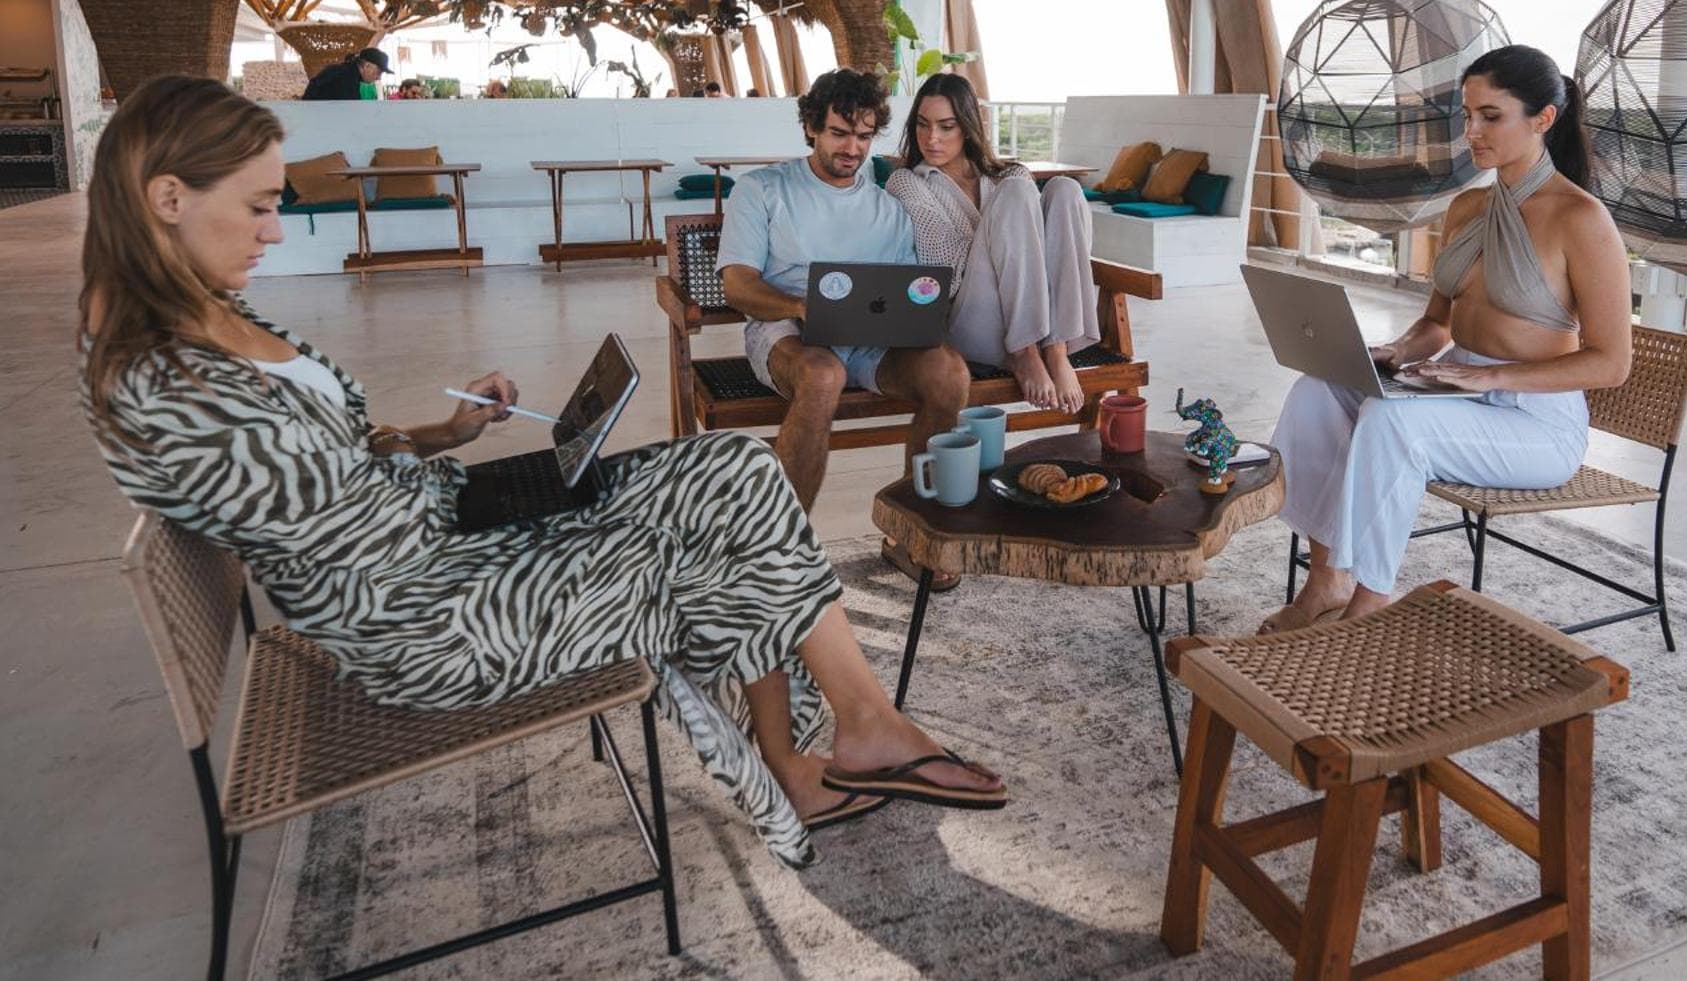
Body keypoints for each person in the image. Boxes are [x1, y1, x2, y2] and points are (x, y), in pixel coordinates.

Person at [79, 76, 1005, 868]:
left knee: (731, 467)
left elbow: (339, 461)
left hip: (445, 533)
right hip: (429, 617)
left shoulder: (215, 318)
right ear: (168, 197)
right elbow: (335, 539)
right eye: (257, 205)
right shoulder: (163, 381)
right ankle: (819, 753)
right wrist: (539, 513)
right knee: (710, 530)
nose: (276, 231)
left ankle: (847, 731)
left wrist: (443, 435)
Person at [1261, 44, 1633, 632]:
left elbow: (1611, 364)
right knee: (1318, 391)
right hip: (1454, 392)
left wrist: (1491, 376)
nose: (1472, 132)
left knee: (1392, 424)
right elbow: (1436, 322)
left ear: (1543, 119)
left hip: (1535, 423)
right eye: (1467, 114)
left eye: (1491, 116)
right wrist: (1395, 352)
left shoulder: (1580, 219)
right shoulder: (1468, 207)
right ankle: (1327, 579)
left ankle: (1370, 604)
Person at [716, 69, 971, 586]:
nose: (852, 148)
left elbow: (908, 289)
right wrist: (801, 305)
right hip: (788, 332)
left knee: (949, 374)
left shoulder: (889, 207)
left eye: (863, 135)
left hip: (871, 341)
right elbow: (738, 286)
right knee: (823, 374)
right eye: (838, 132)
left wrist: (922, 308)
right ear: (811, 126)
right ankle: (779, 555)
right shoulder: (763, 189)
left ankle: (913, 537)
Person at [885, 73, 1098, 414]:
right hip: (970, 321)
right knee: (1016, 194)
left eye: (946, 126)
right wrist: (1010, 234)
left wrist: (1018, 236)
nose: (931, 138)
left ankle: (1056, 350)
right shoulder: (907, 181)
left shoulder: (1009, 175)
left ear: (968, 127)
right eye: (923, 125)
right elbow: (947, 268)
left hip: (1039, 320)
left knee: (1066, 189)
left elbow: (1057, 251)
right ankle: (1024, 352)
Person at [300, 46, 391, 101]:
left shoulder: (345, 71)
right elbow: (350, 114)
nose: (378, 77)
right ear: (367, 66)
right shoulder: (347, 78)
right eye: (378, 72)